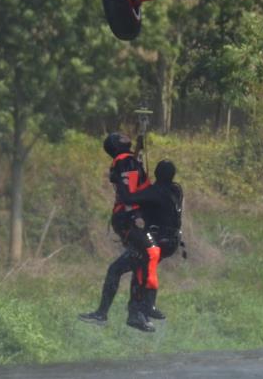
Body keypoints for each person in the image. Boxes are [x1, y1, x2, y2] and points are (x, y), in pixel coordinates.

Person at [78, 132, 156, 331]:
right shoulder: (124, 161)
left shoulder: (126, 160)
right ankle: (133, 313)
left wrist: (138, 149)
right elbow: (127, 191)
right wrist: (136, 214)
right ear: (116, 145)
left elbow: (133, 176)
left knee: (133, 263)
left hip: (127, 219)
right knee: (141, 260)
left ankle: (117, 313)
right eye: (120, 137)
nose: (124, 135)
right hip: (129, 220)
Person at [117, 159, 184, 323]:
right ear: (172, 176)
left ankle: (140, 310)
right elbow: (150, 195)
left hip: (158, 240)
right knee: (144, 269)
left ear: (156, 174)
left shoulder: (155, 192)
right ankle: (145, 308)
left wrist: (121, 178)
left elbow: (128, 198)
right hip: (171, 241)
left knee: (135, 269)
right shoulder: (176, 190)